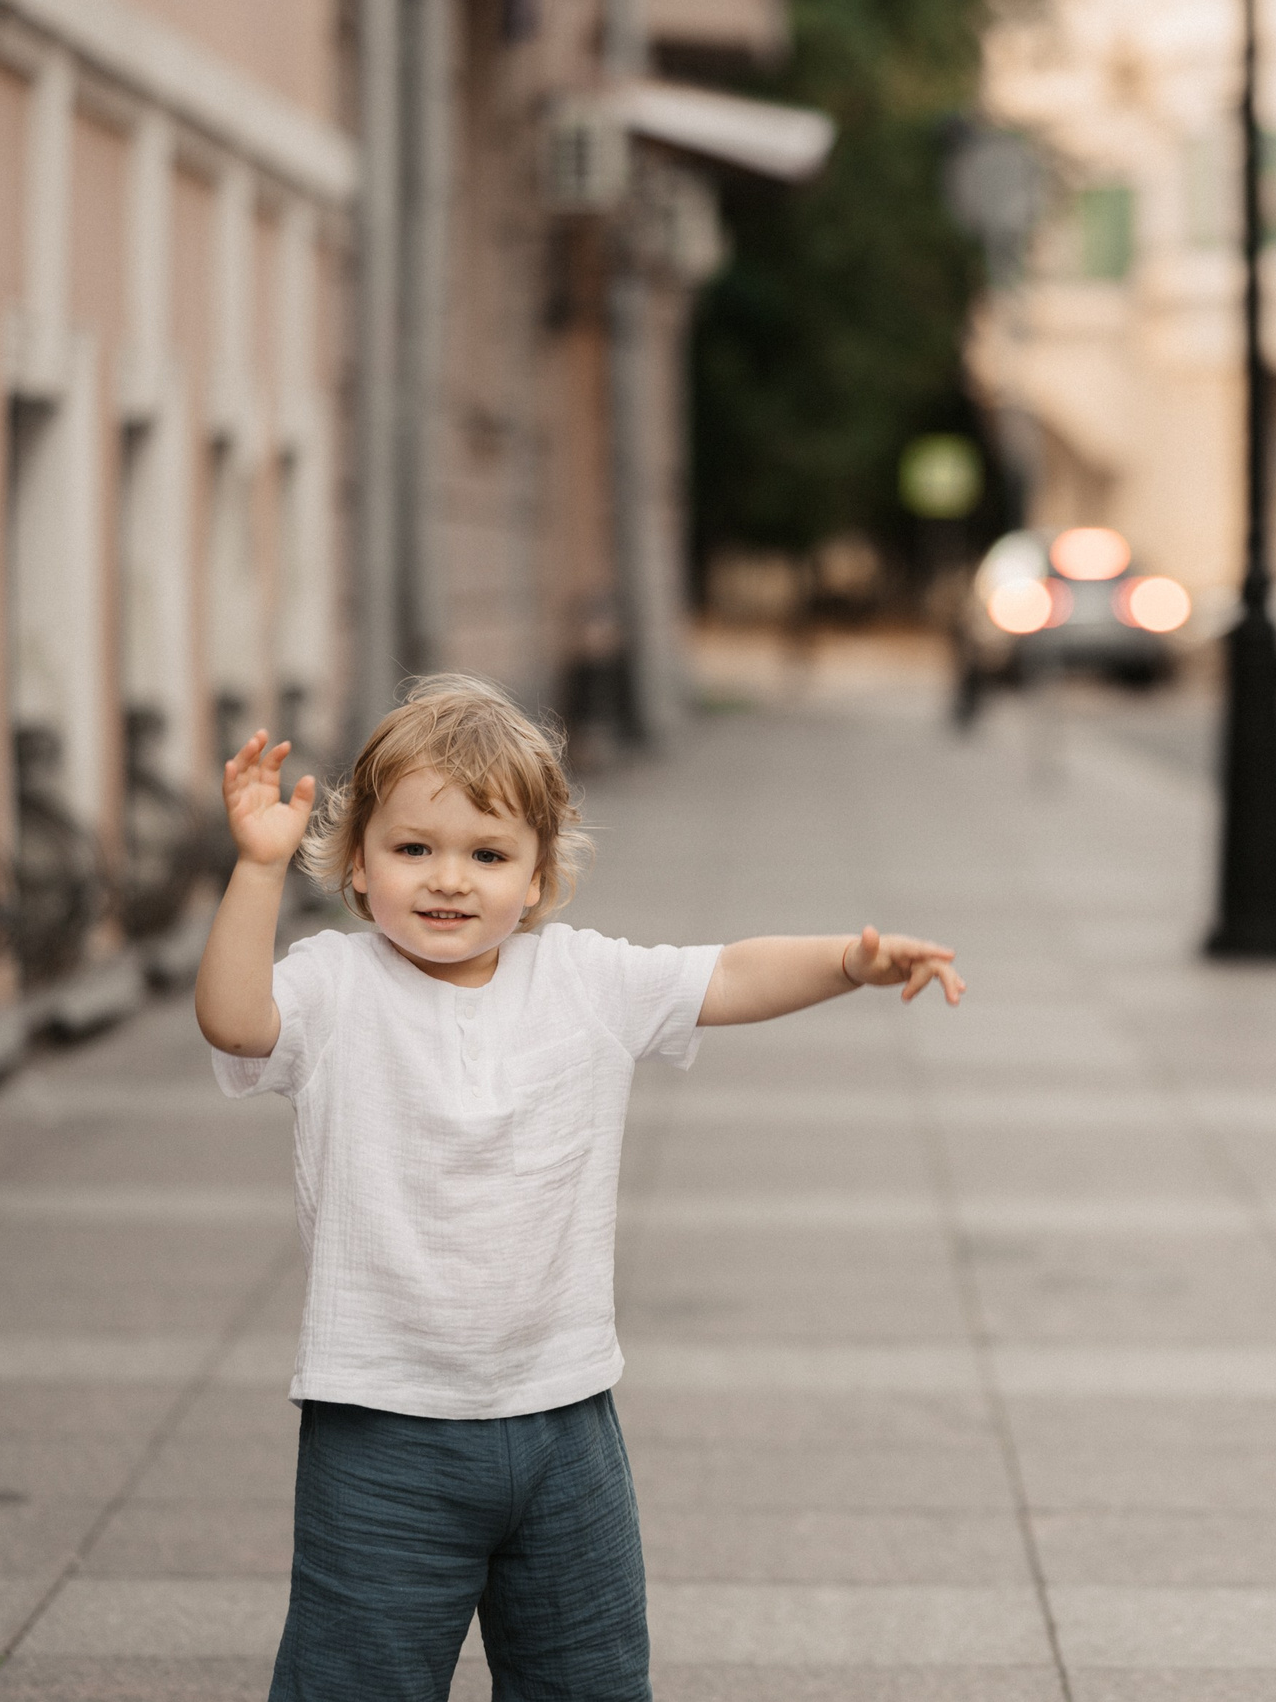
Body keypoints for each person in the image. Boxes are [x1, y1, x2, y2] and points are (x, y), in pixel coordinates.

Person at [194, 675, 965, 1700]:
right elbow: (236, 1021)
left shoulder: (583, 979)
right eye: (413, 848)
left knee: (588, 1678)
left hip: (564, 1420)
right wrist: (254, 868)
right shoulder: (333, 985)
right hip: (383, 1422)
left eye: (488, 853)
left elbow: (726, 974)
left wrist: (846, 961)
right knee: (355, 1679)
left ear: (538, 873)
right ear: (358, 860)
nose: (449, 880)